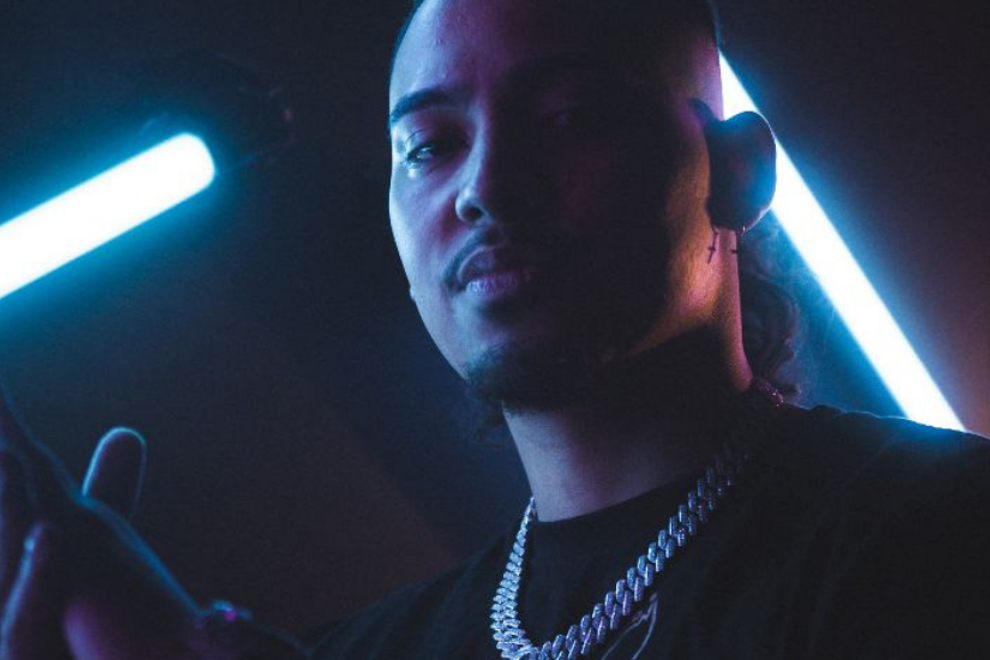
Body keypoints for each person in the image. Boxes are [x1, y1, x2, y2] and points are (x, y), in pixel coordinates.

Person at [0, 0, 987, 658]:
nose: (485, 186)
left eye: (568, 116)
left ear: (739, 171)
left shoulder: (938, 535)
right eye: (429, 145)